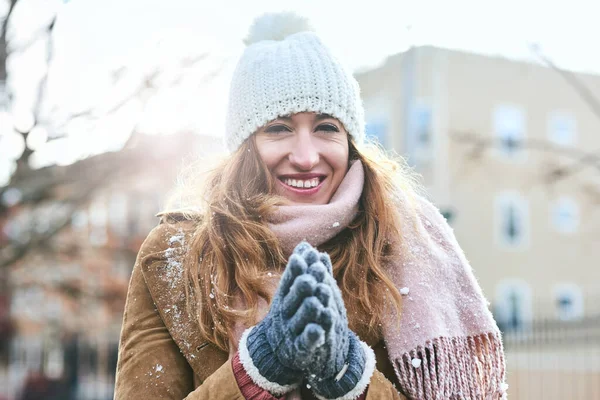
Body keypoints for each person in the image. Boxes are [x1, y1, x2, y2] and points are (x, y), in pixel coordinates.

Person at [114, 12, 507, 400]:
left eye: (326, 128)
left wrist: (352, 377)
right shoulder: (175, 258)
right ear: (245, 147)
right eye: (278, 128)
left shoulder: (405, 243)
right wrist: (255, 371)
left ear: (349, 142)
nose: (305, 157)